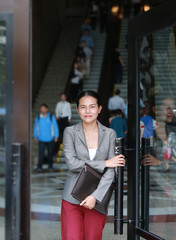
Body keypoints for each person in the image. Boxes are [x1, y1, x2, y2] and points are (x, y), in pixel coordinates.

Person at [61, 90, 125, 240]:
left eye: (92, 106)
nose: (87, 111)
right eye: (83, 107)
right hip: (72, 197)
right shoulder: (70, 132)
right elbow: (72, 164)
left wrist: (95, 197)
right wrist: (105, 163)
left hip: (98, 198)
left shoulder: (110, 134)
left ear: (99, 108)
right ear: (77, 109)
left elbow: (111, 171)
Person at [142, 97, 176, 172]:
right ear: (155, 109)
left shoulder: (173, 131)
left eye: (172, 108)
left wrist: (160, 162)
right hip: (152, 180)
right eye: (167, 107)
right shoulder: (144, 131)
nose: (171, 111)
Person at [34, 104, 59, 172]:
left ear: (47, 109)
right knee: (41, 153)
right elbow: (36, 127)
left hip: (50, 138)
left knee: (50, 153)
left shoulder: (51, 117)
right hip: (41, 138)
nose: (42, 110)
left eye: (44, 108)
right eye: (41, 108)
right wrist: (35, 136)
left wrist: (56, 136)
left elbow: (55, 126)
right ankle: (39, 167)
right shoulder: (38, 117)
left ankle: (50, 166)